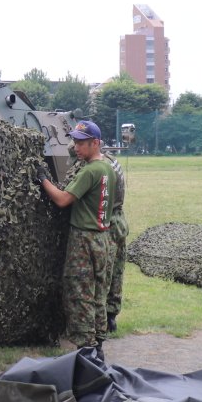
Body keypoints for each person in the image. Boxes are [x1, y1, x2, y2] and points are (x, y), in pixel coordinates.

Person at [37, 120, 117, 354]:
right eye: (75, 141)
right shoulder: (108, 169)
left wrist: (43, 180)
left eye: (82, 143)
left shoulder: (90, 171)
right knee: (98, 292)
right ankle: (98, 340)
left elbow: (62, 200)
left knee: (79, 292)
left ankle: (86, 346)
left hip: (84, 239)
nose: (76, 147)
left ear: (96, 143)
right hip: (103, 238)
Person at [104, 153, 128, 333]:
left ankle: (105, 317)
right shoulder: (110, 159)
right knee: (116, 269)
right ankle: (111, 315)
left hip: (108, 221)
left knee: (106, 270)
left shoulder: (100, 165)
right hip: (119, 219)